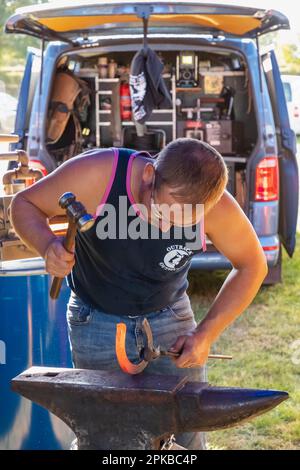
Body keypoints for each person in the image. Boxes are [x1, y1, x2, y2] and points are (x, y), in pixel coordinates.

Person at [10, 138, 268, 450]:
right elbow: (24, 204)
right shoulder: (99, 174)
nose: (164, 227)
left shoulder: (213, 207)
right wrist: (47, 245)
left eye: (179, 224)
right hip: (96, 318)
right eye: (162, 212)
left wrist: (206, 334)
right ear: (148, 175)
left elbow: (252, 265)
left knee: (186, 434)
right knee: (104, 435)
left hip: (169, 317)